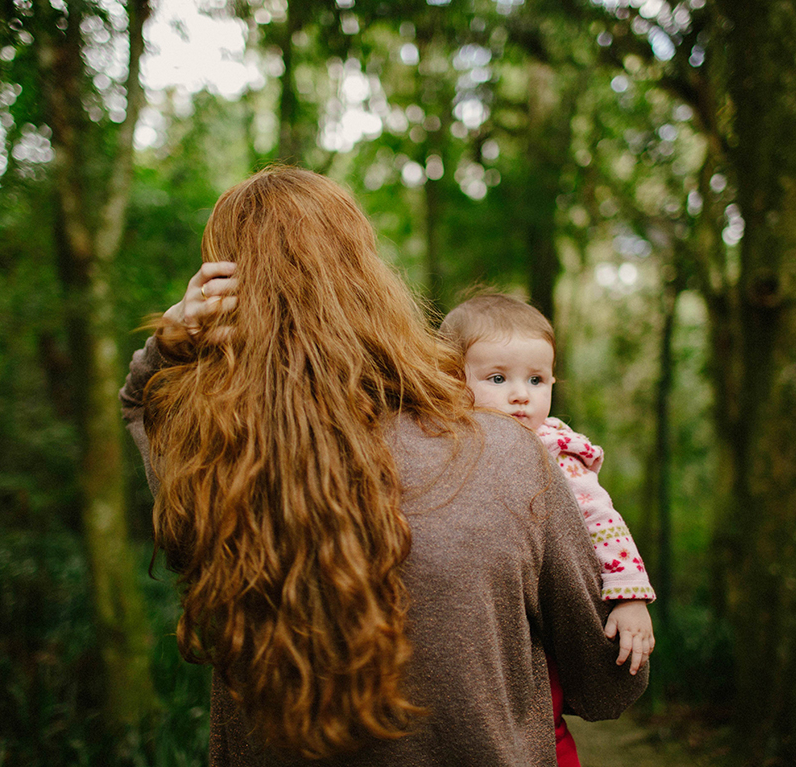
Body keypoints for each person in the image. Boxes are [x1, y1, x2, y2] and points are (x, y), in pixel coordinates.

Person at [118, 167, 647, 766]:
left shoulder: (213, 467)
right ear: (370, 280)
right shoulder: (508, 452)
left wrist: (171, 341)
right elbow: (607, 683)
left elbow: (141, 405)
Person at [439, 293, 656, 767]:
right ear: (454, 379)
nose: (521, 394)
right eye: (498, 379)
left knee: (540, 710)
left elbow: (602, 521)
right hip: (472, 620)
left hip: (540, 613)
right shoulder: (439, 441)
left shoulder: (551, 451)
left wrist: (629, 595)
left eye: (536, 380)